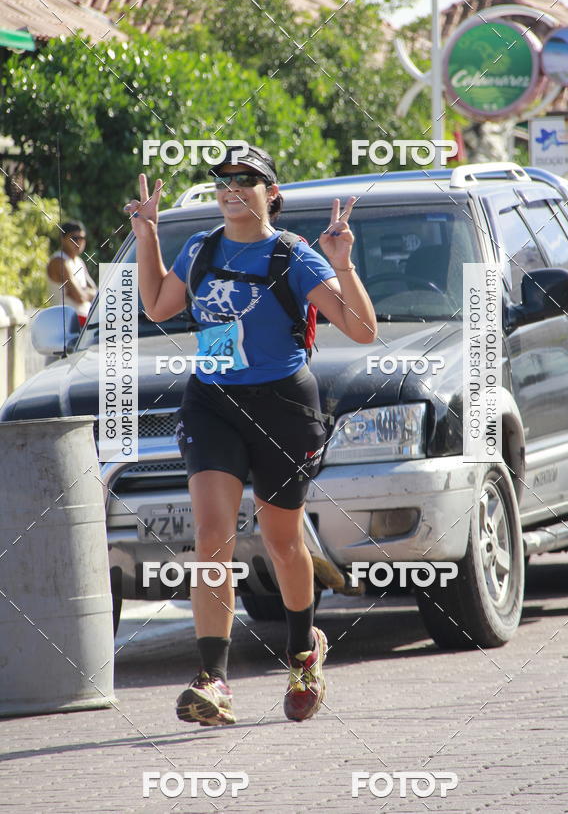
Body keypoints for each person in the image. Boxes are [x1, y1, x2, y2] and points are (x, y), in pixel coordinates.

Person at [125, 145, 377, 725]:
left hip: (284, 406)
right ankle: (213, 679)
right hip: (213, 402)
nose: (232, 187)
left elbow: (361, 331)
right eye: (223, 179)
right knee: (212, 536)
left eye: (247, 179)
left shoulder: (295, 256)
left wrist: (342, 261)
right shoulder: (201, 248)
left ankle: (302, 650)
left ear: (271, 193)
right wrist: (147, 236)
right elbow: (161, 306)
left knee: (282, 541)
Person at [46, 221, 97, 326]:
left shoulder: (79, 262)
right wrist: (85, 293)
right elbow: (80, 297)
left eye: (82, 238)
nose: (79, 242)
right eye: (74, 238)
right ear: (63, 239)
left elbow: (96, 293)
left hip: (85, 322)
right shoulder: (59, 261)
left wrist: (84, 292)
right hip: (64, 326)